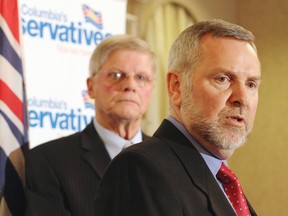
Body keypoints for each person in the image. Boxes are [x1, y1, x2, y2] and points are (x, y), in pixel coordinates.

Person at [94, 19, 261, 215]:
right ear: (176, 87)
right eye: (222, 79)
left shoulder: (222, 179)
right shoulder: (139, 169)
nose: (241, 98)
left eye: (251, 84)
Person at [25, 34, 156, 216]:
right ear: (91, 86)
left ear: (151, 90)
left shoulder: (170, 160)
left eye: (141, 77)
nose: (130, 85)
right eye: (117, 75)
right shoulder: (48, 161)